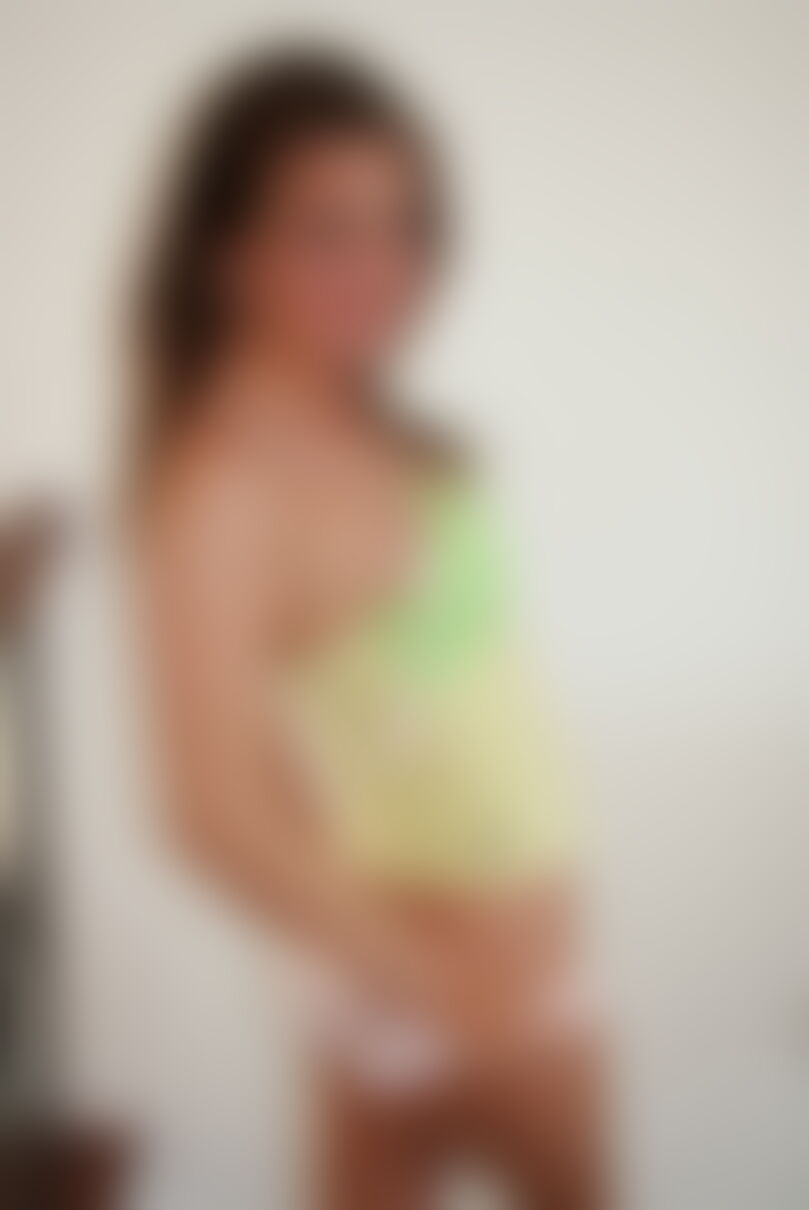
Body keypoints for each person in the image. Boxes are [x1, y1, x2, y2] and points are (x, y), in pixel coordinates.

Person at [134, 47, 607, 1209]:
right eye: (327, 231)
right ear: (226, 251)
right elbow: (209, 806)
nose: (381, 269)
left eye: (404, 227)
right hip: (463, 975)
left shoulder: (362, 421)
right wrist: (434, 980)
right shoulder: (230, 481)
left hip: (463, 958)